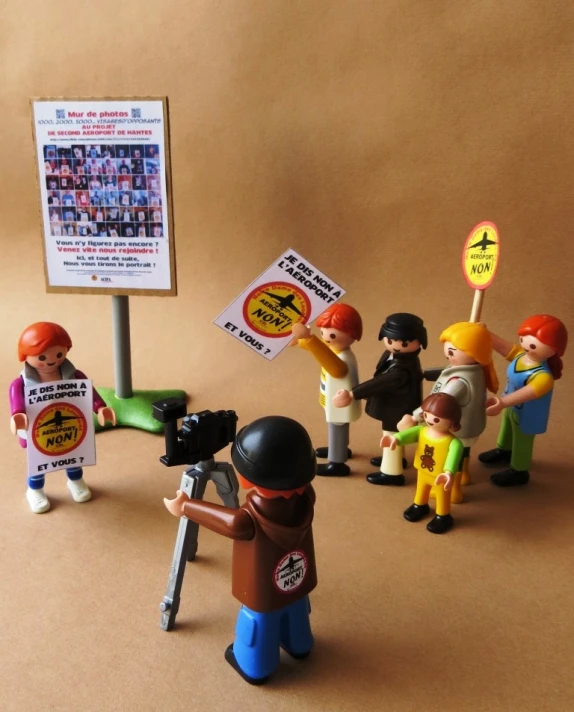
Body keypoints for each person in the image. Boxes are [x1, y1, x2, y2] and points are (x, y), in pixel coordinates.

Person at [164, 415, 317, 685]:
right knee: (295, 608)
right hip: (297, 581)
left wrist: (186, 506)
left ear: (246, 479)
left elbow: (227, 521)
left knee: (258, 621)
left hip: (262, 590)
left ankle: (255, 665)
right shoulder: (306, 499)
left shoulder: (248, 519)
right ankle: (300, 644)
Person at [9, 323, 116, 513]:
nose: (51, 361)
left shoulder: (74, 375)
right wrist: (18, 415)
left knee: (73, 457)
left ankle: (75, 481)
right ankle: (35, 491)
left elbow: (88, 393)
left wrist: (100, 408)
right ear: (25, 355)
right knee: (38, 463)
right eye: (42, 357)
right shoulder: (22, 383)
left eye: (58, 355)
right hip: (39, 432)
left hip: (70, 429)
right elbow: (16, 401)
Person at [399, 321, 498, 502]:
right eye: (448, 352)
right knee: (464, 452)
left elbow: (437, 403)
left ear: (475, 353)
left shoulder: (459, 383)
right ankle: (465, 476)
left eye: (453, 352)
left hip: (456, 426)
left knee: (454, 457)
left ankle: (453, 491)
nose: (449, 355)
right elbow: (447, 371)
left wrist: (414, 416)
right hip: (470, 424)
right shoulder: (475, 370)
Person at [333, 313, 427, 486]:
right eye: (390, 341)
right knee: (397, 435)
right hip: (398, 406)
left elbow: (380, 383)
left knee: (391, 437)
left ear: (420, 341)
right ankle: (399, 460)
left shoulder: (402, 368)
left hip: (397, 408)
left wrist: (353, 394)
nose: (396, 346)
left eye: (404, 343)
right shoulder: (397, 356)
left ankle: (391, 473)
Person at [478, 314, 567, 486]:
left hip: (528, 414)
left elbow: (529, 392)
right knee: (507, 428)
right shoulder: (522, 357)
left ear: (555, 349)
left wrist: (503, 402)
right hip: (512, 407)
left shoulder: (543, 377)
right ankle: (504, 450)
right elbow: (505, 348)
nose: (526, 346)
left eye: (533, 344)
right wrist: (486, 333)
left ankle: (519, 470)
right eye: (524, 339)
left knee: (523, 439)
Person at [291, 303, 362, 476]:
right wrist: (302, 342)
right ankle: (341, 449)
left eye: (331, 334)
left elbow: (336, 369)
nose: (326, 338)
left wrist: (308, 340)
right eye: (322, 332)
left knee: (336, 427)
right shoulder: (334, 351)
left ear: (352, 335)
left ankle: (337, 463)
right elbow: (322, 350)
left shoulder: (343, 358)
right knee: (338, 427)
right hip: (333, 399)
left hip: (339, 402)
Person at [384, 393, 463, 534]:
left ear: (452, 421)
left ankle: (443, 515)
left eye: (436, 419)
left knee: (442, 496)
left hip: (440, 476)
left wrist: (449, 472)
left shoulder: (454, 442)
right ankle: (420, 505)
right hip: (423, 470)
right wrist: (396, 439)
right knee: (421, 489)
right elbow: (408, 435)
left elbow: (453, 457)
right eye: (426, 415)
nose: (430, 420)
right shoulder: (422, 430)